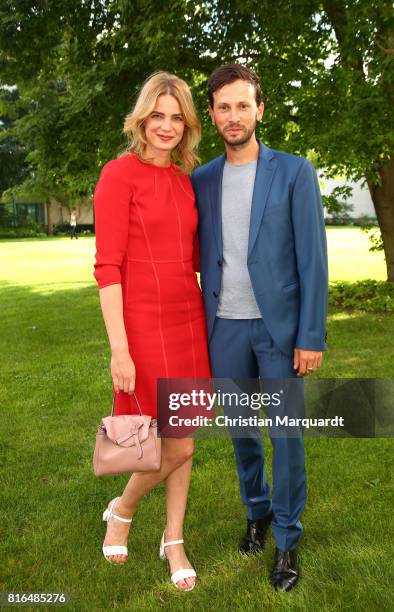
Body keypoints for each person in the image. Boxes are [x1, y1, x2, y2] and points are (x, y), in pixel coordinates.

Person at [191, 64, 328, 592]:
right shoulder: (201, 179)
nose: (233, 115)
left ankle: (288, 539)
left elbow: (312, 260)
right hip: (224, 328)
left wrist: (310, 336)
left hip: (279, 331)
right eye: (223, 107)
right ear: (212, 114)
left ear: (259, 110)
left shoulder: (294, 171)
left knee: (286, 436)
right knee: (242, 433)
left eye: (242, 105)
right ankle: (258, 512)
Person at [93, 71, 211, 591]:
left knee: (183, 439)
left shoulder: (187, 181)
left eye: (177, 117)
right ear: (142, 119)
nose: (167, 126)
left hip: (188, 320)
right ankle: (122, 509)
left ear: (187, 124)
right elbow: (108, 268)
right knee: (166, 442)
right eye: (157, 115)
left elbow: (196, 258)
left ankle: (174, 538)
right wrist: (120, 348)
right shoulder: (119, 175)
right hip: (141, 323)